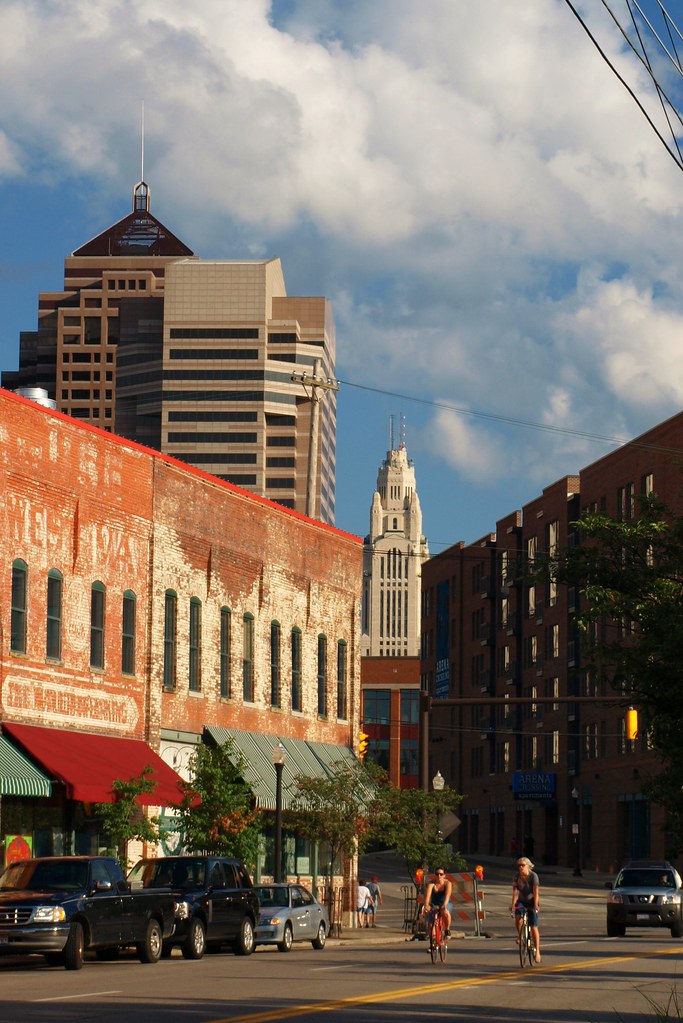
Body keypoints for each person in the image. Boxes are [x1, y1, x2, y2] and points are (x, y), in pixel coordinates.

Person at [510, 856, 541, 963]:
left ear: (528, 866)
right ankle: (521, 935)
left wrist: (536, 904)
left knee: (533, 927)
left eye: (523, 865)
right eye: (519, 866)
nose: (520, 867)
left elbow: (536, 891)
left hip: (532, 901)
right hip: (521, 901)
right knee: (518, 917)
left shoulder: (533, 876)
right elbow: (515, 892)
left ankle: (537, 952)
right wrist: (513, 904)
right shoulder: (516, 877)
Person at [424, 868, 452, 946]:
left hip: (445, 903)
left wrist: (444, 905)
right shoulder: (431, 884)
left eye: (441, 874)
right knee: (431, 924)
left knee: (445, 912)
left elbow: (447, 896)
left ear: (444, 875)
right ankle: (433, 943)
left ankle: (447, 930)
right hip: (434, 904)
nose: (439, 876)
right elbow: (427, 896)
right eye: (437, 874)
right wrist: (426, 905)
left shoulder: (447, 883)